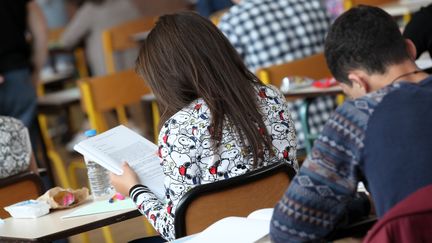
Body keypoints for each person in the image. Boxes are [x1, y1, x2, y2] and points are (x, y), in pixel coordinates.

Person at [110, 12, 298, 241]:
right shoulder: (272, 97)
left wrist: (134, 189)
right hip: (278, 231)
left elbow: (175, 231)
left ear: (170, 77)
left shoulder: (179, 127)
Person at [270, 5, 432, 242]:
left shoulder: (358, 115)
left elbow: (289, 228)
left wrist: (362, 204)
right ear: (410, 47)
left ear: (358, 82)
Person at [218, 0, 336, 149]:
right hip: (335, 126)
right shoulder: (313, 4)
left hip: (284, 139)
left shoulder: (233, 22)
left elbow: (226, 81)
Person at [0, 0, 48, 131]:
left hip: (15, 73)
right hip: (19, 74)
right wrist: (36, 71)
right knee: (24, 146)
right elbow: (41, 32)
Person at [60, 0, 141, 76]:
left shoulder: (90, 10)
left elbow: (66, 41)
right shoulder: (127, 3)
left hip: (108, 75)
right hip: (139, 68)